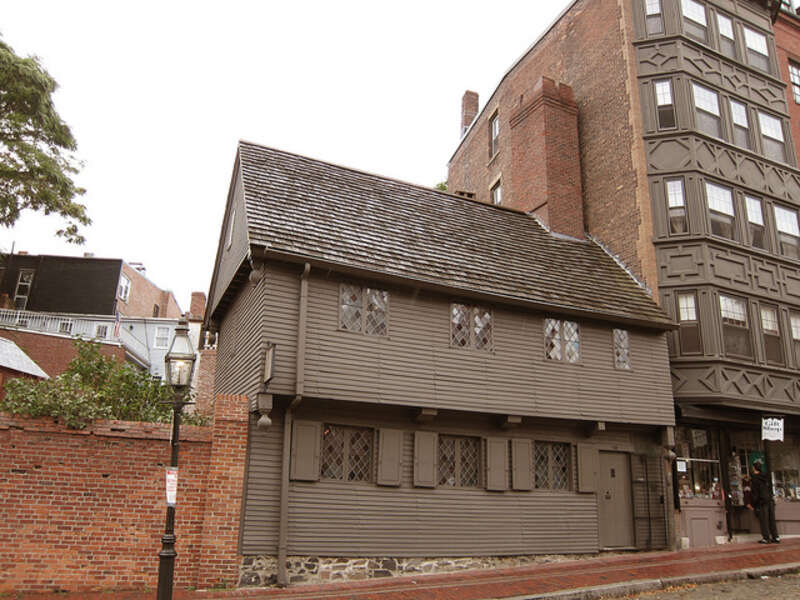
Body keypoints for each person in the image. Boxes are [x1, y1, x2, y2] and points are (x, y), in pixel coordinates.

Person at [746, 461, 780, 544]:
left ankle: (766, 538)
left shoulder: (755, 479)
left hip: (762, 501)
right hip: (770, 500)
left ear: (754, 468)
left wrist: (752, 503)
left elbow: (755, 492)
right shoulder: (766, 477)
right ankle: (776, 537)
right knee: (771, 519)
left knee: (764, 520)